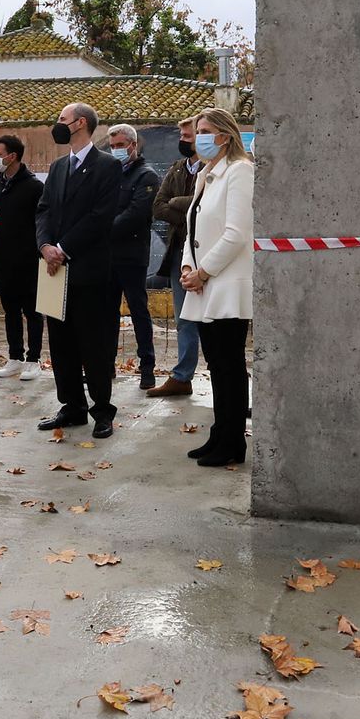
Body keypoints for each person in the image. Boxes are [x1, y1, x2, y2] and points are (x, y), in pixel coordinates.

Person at [35, 102, 124, 437]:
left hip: (88, 269)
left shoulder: (107, 167)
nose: (57, 124)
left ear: (80, 123)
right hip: (54, 271)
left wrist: (64, 249)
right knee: (60, 343)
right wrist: (45, 246)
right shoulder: (58, 167)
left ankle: (102, 410)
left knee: (93, 343)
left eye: (61, 119)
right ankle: (72, 406)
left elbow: (100, 218)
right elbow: (43, 210)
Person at [180, 108, 254, 467]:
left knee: (229, 366)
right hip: (204, 284)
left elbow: (236, 234)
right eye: (198, 131)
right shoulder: (207, 174)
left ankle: (232, 441)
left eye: (206, 131)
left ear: (225, 135)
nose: (199, 137)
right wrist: (187, 266)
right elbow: (193, 225)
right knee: (216, 365)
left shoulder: (240, 171)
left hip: (225, 284)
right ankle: (220, 433)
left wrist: (204, 272)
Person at [146, 116, 203, 397]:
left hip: (206, 255)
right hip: (180, 253)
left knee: (216, 322)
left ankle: (224, 378)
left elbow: (205, 206)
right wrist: (190, 211)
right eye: (181, 136)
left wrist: (181, 205)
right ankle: (182, 377)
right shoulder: (177, 168)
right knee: (184, 319)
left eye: (188, 136)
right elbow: (158, 207)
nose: (183, 140)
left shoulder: (215, 169)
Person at [106, 123, 160, 390]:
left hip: (132, 255)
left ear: (133, 145)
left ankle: (147, 367)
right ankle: (106, 366)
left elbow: (136, 214)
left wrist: (102, 229)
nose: (116, 151)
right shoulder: (110, 174)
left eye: (120, 146)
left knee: (138, 311)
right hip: (108, 256)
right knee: (107, 313)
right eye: (112, 146)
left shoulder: (146, 176)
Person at [0, 134, 44, 382]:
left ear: (13, 156)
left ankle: (34, 359)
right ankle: (15, 357)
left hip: (29, 260)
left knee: (32, 311)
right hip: (4, 259)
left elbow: (42, 222)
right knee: (10, 310)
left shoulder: (34, 187)